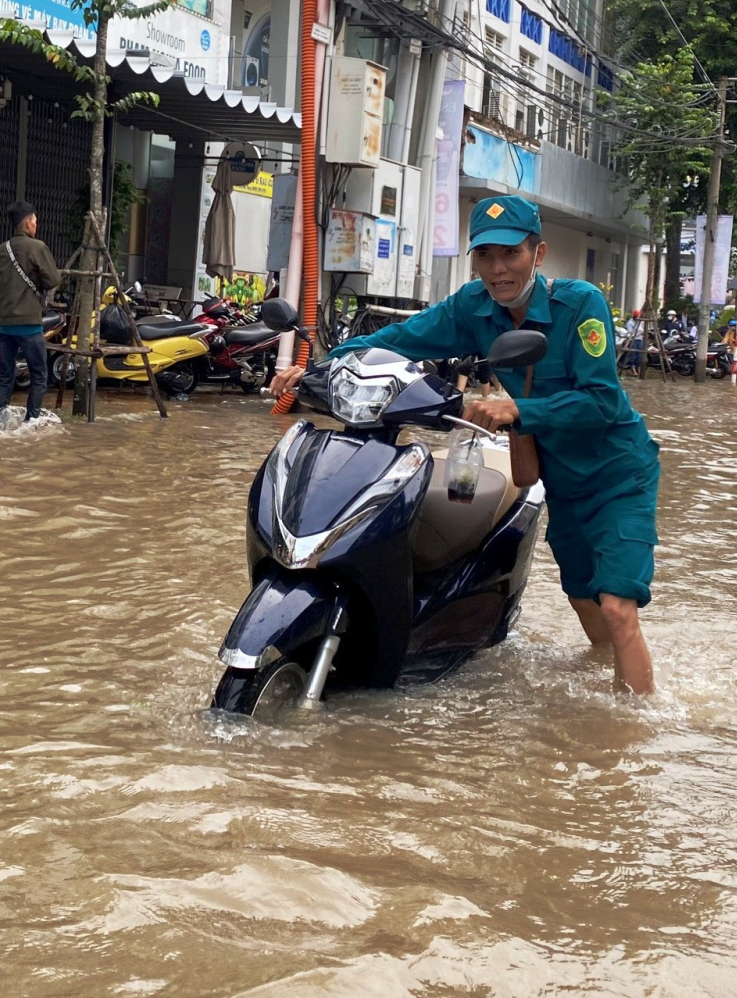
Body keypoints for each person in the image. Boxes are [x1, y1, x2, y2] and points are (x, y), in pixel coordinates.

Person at [271, 195, 661, 696]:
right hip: (561, 479)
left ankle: (633, 738)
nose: (498, 270)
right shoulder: (472, 307)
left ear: (537, 255)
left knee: (617, 608)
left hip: (616, 475)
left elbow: (602, 402)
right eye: (485, 256)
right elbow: (399, 339)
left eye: (511, 254)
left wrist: (520, 410)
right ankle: (601, 695)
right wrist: (321, 368)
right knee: (586, 602)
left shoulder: (580, 304)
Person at [0, 200, 62, 424]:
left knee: (5, 376)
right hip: (29, 324)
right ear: (27, 223)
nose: (36, 225)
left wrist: (4, 288)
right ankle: (30, 422)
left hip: (4, 324)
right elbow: (53, 280)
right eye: (35, 221)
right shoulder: (37, 247)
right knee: (39, 375)